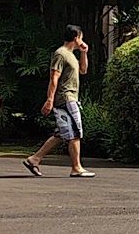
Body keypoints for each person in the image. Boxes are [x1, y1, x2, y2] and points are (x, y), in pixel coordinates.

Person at [22, 26, 95, 179]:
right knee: (75, 132)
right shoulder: (61, 54)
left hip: (71, 97)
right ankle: (76, 167)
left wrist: (84, 52)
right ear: (76, 37)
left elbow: (83, 70)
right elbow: (54, 77)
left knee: (62, 133)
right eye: (81, 37)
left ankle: (34, 159)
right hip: (66, 98)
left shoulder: (71, 55)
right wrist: (50, 99)